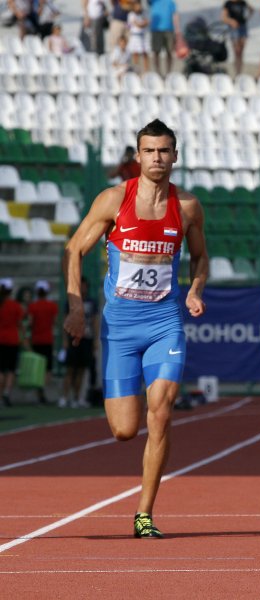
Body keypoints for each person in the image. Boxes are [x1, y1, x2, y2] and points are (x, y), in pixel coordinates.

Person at [63, 119, 209, 538]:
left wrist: (195, 289)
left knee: (161, 411)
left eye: (164, 151)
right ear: (138, 156)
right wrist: (75, 307)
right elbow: (74, 248)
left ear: (175, 156)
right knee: (125, 430)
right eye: (150, 151)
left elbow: (200, 259)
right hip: (120, 329)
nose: (157, 158)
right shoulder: (113, 200)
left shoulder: (187, 208)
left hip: (165, 324)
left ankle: (144, 513)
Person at [61, 277, 99, 408]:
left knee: (82, 370)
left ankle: (77, 397)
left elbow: (95, 321)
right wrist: (65, 340)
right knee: (70, 369)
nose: (83, 288)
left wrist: (95, 340)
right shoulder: (72, 302)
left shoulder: (91, 302)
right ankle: (65, 397)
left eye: (84, 286)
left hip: (86, 338)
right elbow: (65, 321)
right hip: (73, 338)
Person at [24, 280, 59, 404]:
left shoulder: (32, 306)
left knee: (37, 367)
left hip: (36, 339)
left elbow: (30, 323)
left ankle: (40, 390)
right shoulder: (52, 306)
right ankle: (42, 389)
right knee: (47, 369)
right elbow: (55, 322)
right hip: (47, 339)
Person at [0, 278, 26, 407]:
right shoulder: (16, 306)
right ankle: (6, 392)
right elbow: (20, 324)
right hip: (12, 340)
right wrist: (25, 339)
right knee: (10, 370)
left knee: (0, 370)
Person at [222, 0, 253, 75]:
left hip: (242, 26)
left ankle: (239, 71)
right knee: (236, 51)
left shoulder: (242, 2)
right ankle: (236, 71)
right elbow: (224, 17)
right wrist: (231, 21)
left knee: (241, 52)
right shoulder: (228, 3)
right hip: (234, 28)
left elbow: (251, 10)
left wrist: (247, 18)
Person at [149, 0, 180, 76]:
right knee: (156, 52)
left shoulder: (171, 2)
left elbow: (175, 15)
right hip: (156, 29)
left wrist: (177, 30)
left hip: (169, 29)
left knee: (169, 51)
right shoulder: (153, 1)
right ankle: (158, 72)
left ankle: (169, 73)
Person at [126, 2, 150, 74]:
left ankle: (146, 71)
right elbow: (136, 25)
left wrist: (142, 23)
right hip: (135, 36)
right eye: (136, 6)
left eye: (139, 5)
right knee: (135, 53)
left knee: (145, 53)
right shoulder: (131, 15)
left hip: (143, 36)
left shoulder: (144, 13)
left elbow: (146, 22)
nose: (138, 7)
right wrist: (142, 23)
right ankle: (137, 70)